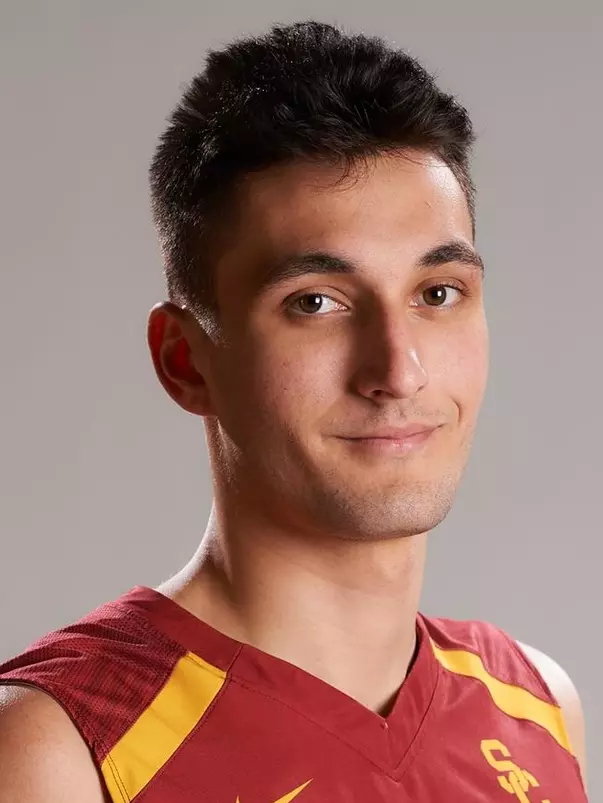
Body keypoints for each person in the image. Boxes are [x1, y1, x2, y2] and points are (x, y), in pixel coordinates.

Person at [0, 20, 588, 803]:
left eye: (436, 294)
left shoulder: (538, 708)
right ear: (185, 360)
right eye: (315, 302)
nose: (397, 368)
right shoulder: (60, 747)